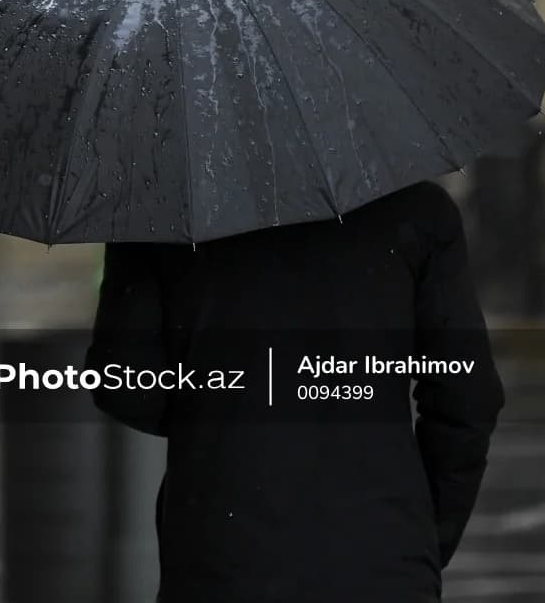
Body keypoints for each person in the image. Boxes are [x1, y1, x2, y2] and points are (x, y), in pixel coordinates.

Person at [85, 181, 504, 603]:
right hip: (382, 558)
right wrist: (426, 534)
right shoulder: (415, 208)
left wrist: (215, 417)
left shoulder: (158, 210)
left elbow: (123, 384)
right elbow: (467, 396)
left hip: (221, 558)